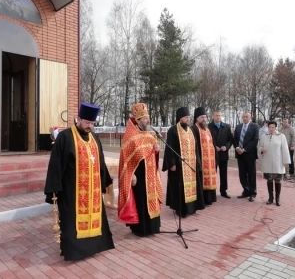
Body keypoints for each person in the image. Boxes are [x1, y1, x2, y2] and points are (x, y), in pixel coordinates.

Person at [44, 103, 115, 261]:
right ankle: (74, 252)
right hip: (72, 191)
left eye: (92, 123)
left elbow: (100, 162)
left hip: (93, 192)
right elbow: (56, 164)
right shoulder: (65, 137)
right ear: (79, 119)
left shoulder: (95, 138)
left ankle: (94, 247)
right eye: (87, 123)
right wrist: (55, 188)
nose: (90, 126)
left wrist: (105, 181)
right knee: (71, 223)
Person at [117, 103, 163, 237]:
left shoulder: (150, 135)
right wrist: (131, 176)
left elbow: (152, 155)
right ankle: (140, 229)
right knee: (141, 201)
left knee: (151, 199)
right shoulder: (130, 137)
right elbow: (126, 160)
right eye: (145, 118)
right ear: (137, 120)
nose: (148, 120)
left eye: (148, 117)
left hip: (151, 175)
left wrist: (157, 151)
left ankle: (153, 227)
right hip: (138, 176)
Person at [162, 107, 205, 217]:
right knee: (179, 187)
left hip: (191, 165)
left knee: (192, 187)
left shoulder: (191, 130)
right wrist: (171, 164)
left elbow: (196, 148)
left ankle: (192, 208)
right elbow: (169, 148)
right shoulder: (173, 130)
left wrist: (198, 163)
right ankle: (180, 209)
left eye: (189, 117)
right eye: (186, 117)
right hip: (179, 166)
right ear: (180, 118)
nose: (188, 119)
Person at [258, 121, 290, 206]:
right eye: (269, 127)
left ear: (275, 127)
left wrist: (286, 161)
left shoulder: (281, 136)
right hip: (267, 162)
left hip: (278, 162)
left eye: (273, 127)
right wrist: (261, 149)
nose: (271, 129)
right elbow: (259, 146)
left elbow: (285, 149)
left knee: (277, 180)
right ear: (267, 127)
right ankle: (270, 198)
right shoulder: (263, 136)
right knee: (269, 180)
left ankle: (277, 198)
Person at [191, 107, 217, 205]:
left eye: (205, 117)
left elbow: (213, 144)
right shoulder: (194, 128)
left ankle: (210, 198)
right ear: (197, 118)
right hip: (201, 159)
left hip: (210, 160)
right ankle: (203, 199)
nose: (204, 119)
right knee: (201, 179)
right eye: (202, 117)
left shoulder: (207, 129)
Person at [233, 112, 259, 202]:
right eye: (243, 117)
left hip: (250, 154)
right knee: (242, 174)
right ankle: (246, 190)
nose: (244, 118)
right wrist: (237, 148)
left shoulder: (255, 126)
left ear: (250, 117)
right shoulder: (238, 127)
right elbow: (235, 139)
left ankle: (252, 193)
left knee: (251, 174)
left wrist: (244, 149)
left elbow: (255, 140)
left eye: (246, 117)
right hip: (240, 154)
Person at [208, 110, 233, 198]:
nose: (218, 117)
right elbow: (206, 140)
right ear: (212, 116)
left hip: (223, 154)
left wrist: (226, 147)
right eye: (216, 115)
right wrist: (214, 147)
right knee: (212, 173)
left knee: (223, 174)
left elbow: (230, 139)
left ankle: (223, 191)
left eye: (219, 115)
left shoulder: (226, 126)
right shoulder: (208, 127)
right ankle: (211, 192)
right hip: (212, 155)